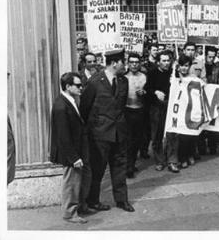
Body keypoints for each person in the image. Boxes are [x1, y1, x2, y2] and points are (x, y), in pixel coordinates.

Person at [80, 49, 134, 212]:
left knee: (120, 166)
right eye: (122, 62)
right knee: (98, 168)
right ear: (114, 63)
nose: (124, 65)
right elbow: (85, 108)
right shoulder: (96, 81)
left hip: (119, 132)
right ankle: (93, 200)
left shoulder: (123, 81)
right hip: (100, 133)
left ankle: (121, 200)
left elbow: (121, 106)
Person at [50, 72, 92, 223]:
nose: (81, 88)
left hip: (79, 147)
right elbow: (63, 135)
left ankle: (81, 206)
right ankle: (69, 213)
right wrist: (73, 157)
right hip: (72, 152)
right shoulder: (61, 105)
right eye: (78, 85)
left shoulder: (70, 100)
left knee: (81, 178)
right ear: (68, 86)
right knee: (71, 181)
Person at [146, 51, 179, 173]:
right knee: (157, 136)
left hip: (171, 108)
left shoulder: (174, 72)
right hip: (157, 108)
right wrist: (155, 92)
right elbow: (147, 89)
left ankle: (172, 161)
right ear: (158, 62)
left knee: (172, 134)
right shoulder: (152, 73)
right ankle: (160, 161)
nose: (166, 63)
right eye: (163, 61)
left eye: (168, 60)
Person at [175, 54, 200, 168]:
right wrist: (177, 73)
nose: (184, 68)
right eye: (181, 66)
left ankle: (190, 154)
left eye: (186, 66)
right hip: (178, 109)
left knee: (191, 134)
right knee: (181, 136)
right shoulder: (174, 77)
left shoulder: (193, 78)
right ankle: (182, 157)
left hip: (190, 109)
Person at [124, 52, 147, 178]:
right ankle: (128, 166)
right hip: (127, 111)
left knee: (137, 140)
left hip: (140, 110)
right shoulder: (123, 77)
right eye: (131, 62)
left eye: (136, 62)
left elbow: (149, 92)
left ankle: (132, 162)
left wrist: (144, 93)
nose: (134, 65)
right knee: (128, 140)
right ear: (128, 63)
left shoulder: (144, 76)